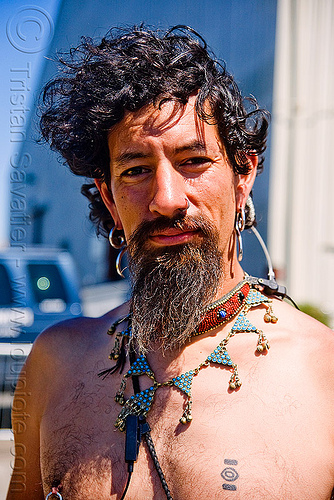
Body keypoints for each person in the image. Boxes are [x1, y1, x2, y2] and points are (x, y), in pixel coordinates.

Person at [7, 25, 334, 500]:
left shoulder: (321, 371)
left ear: (244, 174)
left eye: (194, 160)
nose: (165, 199)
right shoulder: (55, 364)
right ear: (109, 198)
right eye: (136, 170)